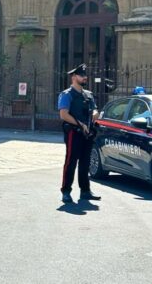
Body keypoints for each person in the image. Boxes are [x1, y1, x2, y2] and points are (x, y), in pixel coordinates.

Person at [58, 64, 101, 203]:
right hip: (74, 132)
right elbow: (63, 114)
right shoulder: (67, 94)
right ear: (74, 77)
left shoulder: (88, 94)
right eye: (82, 75)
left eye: (85, 75)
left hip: (87, 133)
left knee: (85, 163)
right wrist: (79, 124)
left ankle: (85, 191)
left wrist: (95, 113)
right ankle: (66, 191)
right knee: (71, 162)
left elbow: (94, 108)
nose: (84, 77)